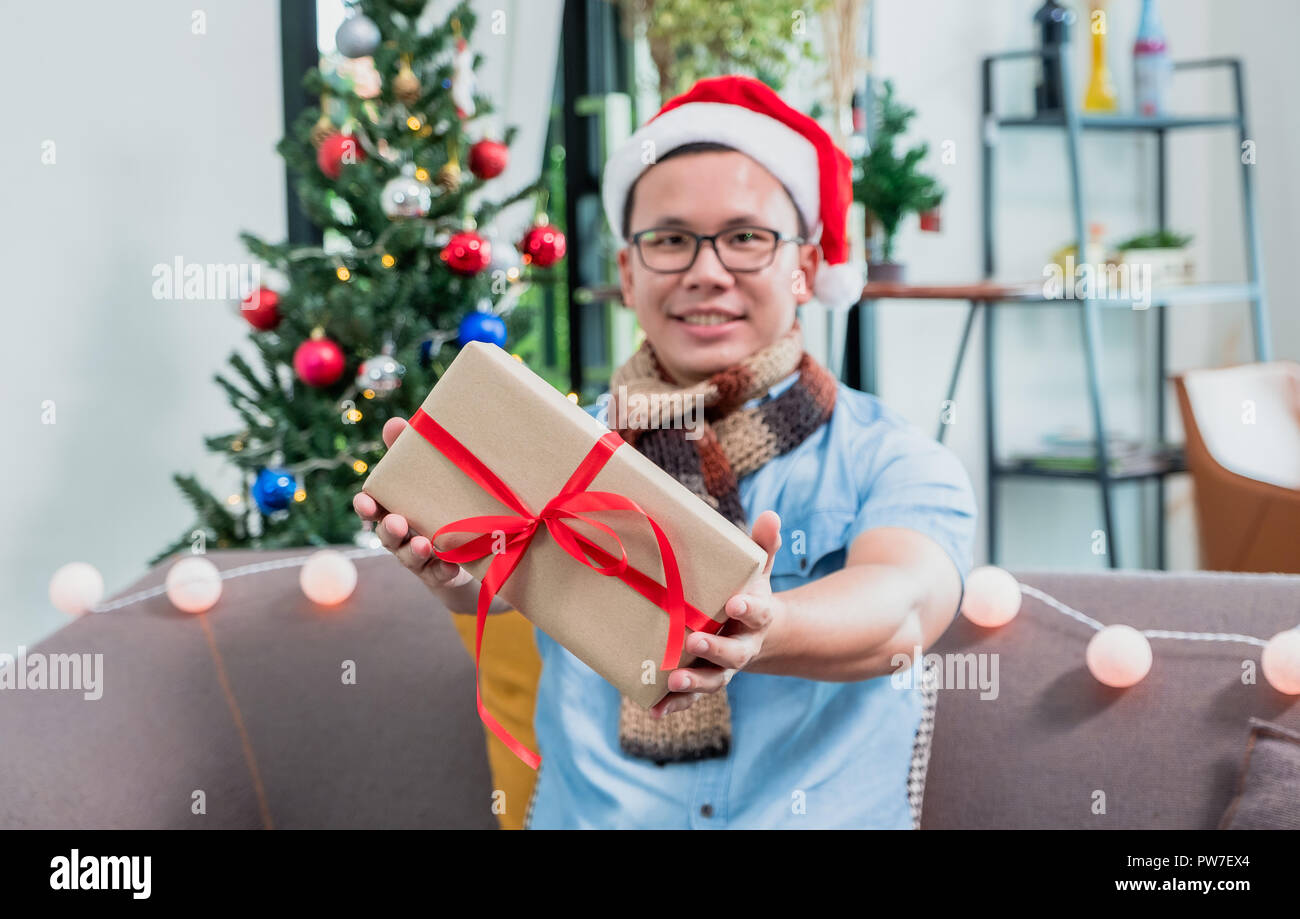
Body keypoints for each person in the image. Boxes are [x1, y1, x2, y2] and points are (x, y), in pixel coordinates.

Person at [354, 75, 976, 829]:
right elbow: (500, 578)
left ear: (805, 268)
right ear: (628, 272)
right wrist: (454, 571)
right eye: (670, 239)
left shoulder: (894, 458)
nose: (705, 271)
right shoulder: (553, 446)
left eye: (746, 237)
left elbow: (902, 610)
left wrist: (761, 628)